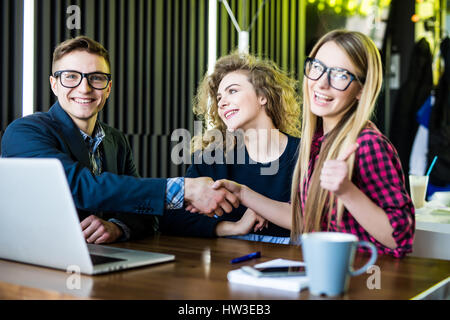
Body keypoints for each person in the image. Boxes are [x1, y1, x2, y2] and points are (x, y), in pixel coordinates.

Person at [1, 36, 239, 244]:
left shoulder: (116, 141)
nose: (84, 88)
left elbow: (145, 215)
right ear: (54, 84)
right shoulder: (25, 132)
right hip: (35, 265)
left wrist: (117, 227)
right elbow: (79, 187)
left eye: (96, 78)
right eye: (71, 77)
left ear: (108, 87)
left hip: (103, 261)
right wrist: (183, 188)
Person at [213, 30, 415, 257]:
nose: (321, 83)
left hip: (367, 282)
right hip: (331, 276)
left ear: (361, 89)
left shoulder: (366, 144)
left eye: (340, 75)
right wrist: (243, 193)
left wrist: (346, 191)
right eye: (317, 68)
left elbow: (401, 238)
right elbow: (305, 218)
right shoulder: (318, 142)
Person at [159, 52, 301, 244]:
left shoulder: (305, 153)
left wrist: (264, 207)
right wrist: (234, 227)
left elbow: (320, 219)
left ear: (263, 96)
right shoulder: (213, 159)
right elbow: (172, 218)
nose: (222, 103)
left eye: (232, 91)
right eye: (219, 97)